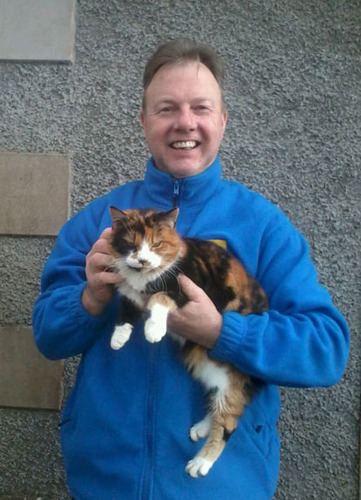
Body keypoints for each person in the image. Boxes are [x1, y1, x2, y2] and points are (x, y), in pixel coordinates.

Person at [33, 39, 349, 500]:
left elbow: (326, 348)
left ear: (222, 121)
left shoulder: (264, 226)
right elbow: (46, 334)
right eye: (167, 108)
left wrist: (223, 332)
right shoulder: (98, 222)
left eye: (201, 107)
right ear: (143, 122)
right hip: (105, 482)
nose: (185, 122)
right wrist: (90, 300)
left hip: (224, 486)